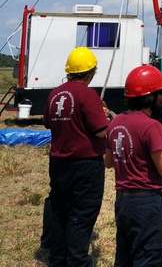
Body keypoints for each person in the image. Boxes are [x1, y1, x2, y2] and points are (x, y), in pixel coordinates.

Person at [42, 46, 109, 267]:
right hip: (85, 165)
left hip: (59, 163)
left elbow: (48, 122)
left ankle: (57, 260)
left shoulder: (55, 94)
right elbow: (101, 130)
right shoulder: (87, 95)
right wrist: (106, 116)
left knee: (60, 212)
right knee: (80, 216)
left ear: (69, 71)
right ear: (91, 72)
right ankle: (78, 261)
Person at [105, 65, 162, 266]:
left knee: (125, 258)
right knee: (148, 258)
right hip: (146, 204)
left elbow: (108, 162)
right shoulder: (151, 126)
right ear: (150, 97)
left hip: (123, 203)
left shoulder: (115, 122)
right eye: (161, 92)